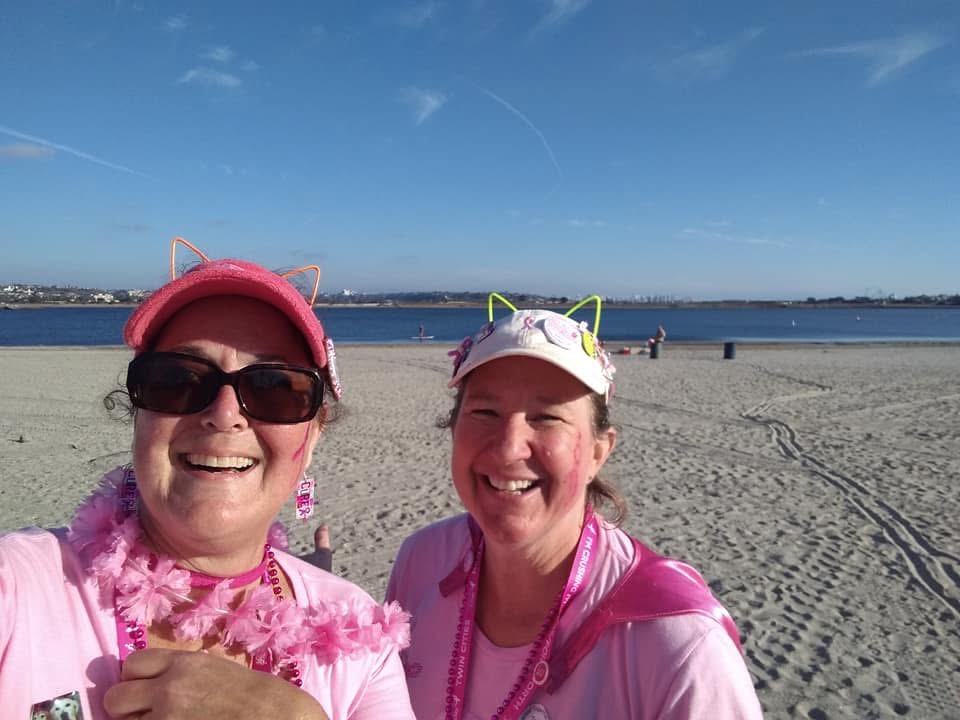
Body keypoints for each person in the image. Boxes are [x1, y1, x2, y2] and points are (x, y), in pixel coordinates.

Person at [0, 238, 414, 720]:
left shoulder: (356, 636)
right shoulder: (18, 587)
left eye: (276, 387)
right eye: (179, 379)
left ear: (313, 434)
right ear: (139, 413)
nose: (224, 415)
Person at [385, 294, 763, 719]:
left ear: (600, 452)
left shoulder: (679, 645)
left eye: (547, 417)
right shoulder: (421, 563)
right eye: (485, 411)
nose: (510, 448)